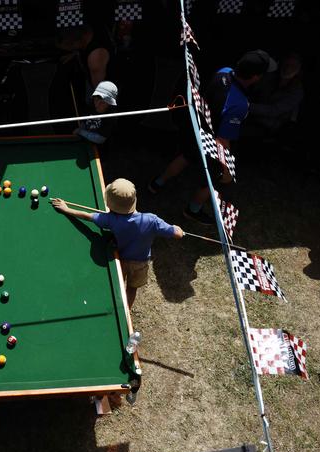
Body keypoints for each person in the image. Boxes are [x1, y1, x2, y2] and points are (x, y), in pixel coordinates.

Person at [148, 50, 277, 225]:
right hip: (212, 140)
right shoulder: (239, 104)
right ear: (255, 77)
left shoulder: (223, 71)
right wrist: (226, 168)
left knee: (185, 156)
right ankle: (193, 210)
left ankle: (157, 183)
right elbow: (223, 139)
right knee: (214, 180)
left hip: (197, 127)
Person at [51, 179, 183, 309]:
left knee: (117, 285)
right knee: (131, 289)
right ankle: (126, 312)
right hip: (140, 264)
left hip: (120, 259)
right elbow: (176, 234)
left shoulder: (109, 219)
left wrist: (66, 209)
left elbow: (87, 216)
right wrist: (178, 229)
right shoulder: (152, 220)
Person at [56, 24, 115, 104]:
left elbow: (102, 95)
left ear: (76, 43)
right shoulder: (92, 29)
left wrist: (98, 107)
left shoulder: (95, 58)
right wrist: (76, 53)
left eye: (70, 47)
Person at [73, 81, 118, 145]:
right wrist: (81, 128)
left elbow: (100, 139)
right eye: (96, 100)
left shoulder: (111, 117)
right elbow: (84, 123)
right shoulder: (90, 109)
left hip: (101, 151)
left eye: (102, 102)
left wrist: (80, 131)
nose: (97, 105)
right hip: (86, 146)